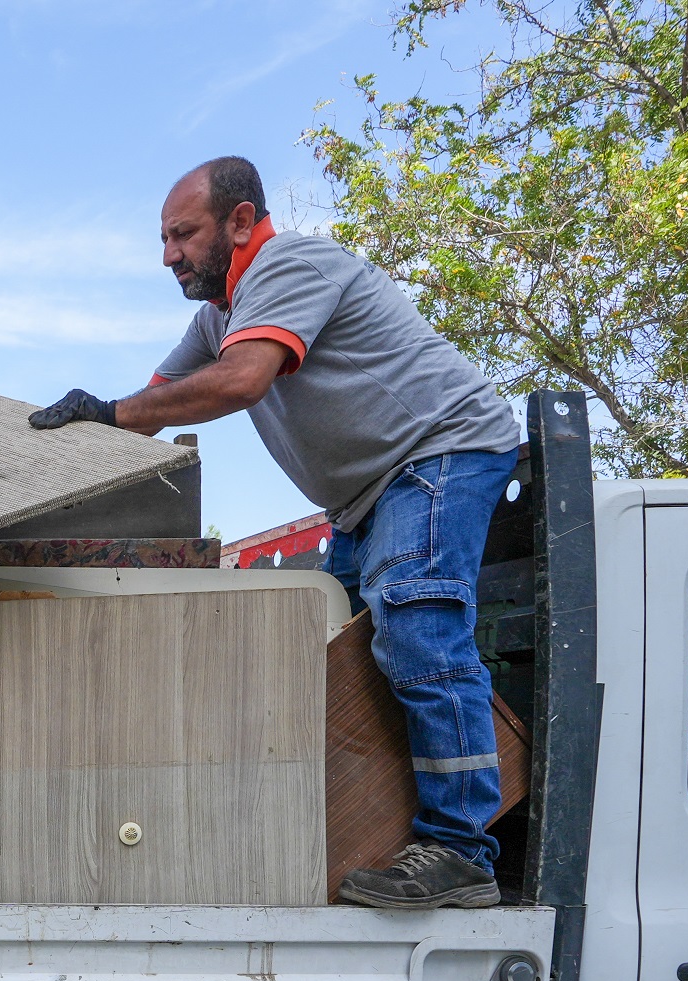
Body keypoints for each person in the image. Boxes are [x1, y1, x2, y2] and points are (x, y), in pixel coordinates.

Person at [29, 155, 523, 910]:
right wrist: (56, 463)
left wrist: (112, 413)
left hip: (440, 452)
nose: (168, 256)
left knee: (417, 629)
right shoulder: (217, 316)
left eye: (181, 235)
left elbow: (240, 381)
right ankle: (382, 834)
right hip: (367, 495)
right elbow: (154, 407)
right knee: (339, 664)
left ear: (238, 221)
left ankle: (461, 853)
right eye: (164, 240)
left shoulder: (289, 264)